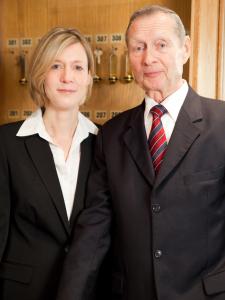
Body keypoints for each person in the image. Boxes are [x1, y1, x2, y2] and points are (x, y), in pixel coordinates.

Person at [57, 5, 225, 300]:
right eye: (138, 47)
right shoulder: (110, 135)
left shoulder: (222, 123)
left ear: (184, 49)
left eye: (161, 45)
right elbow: (95, 227)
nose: (149, 58)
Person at [0, 27, 98, 300]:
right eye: (56, 66)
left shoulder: (107, 143)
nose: (68, 77)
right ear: (40, 74)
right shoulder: (6, 143)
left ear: (89, 77)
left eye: (78, 67)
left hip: (88, 291)